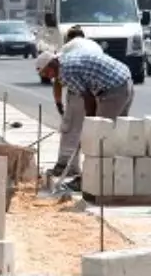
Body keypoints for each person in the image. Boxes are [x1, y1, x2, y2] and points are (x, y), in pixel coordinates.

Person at [36, 26, 104, 176]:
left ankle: (66, 166)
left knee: (70, 128)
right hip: (103, 89)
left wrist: (59, 104)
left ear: (68, 39)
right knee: (93, 130)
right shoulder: (93, 45)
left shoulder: (66, 50)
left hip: (83, 91)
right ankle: (92, 172)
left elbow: (58, 81)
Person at [38, 44, 134, 131]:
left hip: (114, 88)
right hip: (125, 79)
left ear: (52, 64)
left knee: (101, 131)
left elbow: (88, 98)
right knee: (120, 128)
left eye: (46, 72)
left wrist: (90, 121)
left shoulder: (66, 72)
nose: (48, 77)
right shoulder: (64, 58)